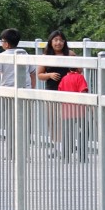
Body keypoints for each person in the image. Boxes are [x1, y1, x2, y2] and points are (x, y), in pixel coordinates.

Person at [39, 30, 76, 159]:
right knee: (52, 120)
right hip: (52, 91)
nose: (58, 43)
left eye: (61, 40)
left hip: (68, 92)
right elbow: (40, 75)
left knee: (67, 120)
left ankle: (67, 146)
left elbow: (79, 71)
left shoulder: (70, 55)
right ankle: (57, 147)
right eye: (55, 40)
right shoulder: (46, 56)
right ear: (50, 42)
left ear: (64, 42)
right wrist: (49, 75)